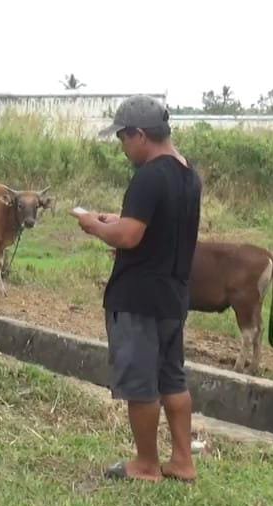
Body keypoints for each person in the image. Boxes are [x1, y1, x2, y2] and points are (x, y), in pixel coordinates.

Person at [72, 95, 202, 482]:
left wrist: (94, 225)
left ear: (140, 135)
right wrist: (118, 219)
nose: (122, 147)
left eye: (123, 138)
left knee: (142, 385)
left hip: (139, 298)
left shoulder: (148, 175)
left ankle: (145, 464)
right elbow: (156, 227)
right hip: (173, 296)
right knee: (172, 379)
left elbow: (128, 237)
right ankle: (182, 461)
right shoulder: (187, 174)